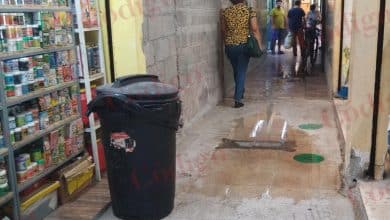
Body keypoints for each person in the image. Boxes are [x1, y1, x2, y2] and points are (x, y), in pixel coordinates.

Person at [221, 0, 263, 108]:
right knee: (241, 70)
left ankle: (241, 90)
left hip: (230, 46)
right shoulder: (249, 10)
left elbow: (223, 30)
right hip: (243, 45)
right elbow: (254, 28)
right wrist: (259, 43)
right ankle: (238, 99)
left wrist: (227, 42)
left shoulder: (225, 11)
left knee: (237, 69)